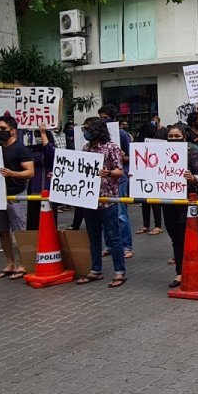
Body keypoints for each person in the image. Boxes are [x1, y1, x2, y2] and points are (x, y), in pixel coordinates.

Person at [75, 117, 127, 288]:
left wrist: (108, 173)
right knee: (93, 237)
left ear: (97, 129)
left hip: (107, 199)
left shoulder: (111, 147)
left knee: (114, 236)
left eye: (88, 128)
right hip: (89, 198)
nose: (86, 132)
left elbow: (119, 171)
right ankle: (95, 269)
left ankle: (119, 271)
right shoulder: (85, 148)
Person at [0, 115, 33, 280]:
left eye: (3, 129)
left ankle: (23, 263)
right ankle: (10, 262)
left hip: (16, 194)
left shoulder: (20, 149)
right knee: (2, 230)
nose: (0, 131)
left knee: (19, 231)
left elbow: (30, 172)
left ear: (13, 131)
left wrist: (13, 173)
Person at [160, 125, 198, 288]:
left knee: (186, 235)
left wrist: (193, 178)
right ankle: (180, 272)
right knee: (175, 237)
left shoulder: (193, 151)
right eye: (171, 136)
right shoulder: (161, 151)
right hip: (168, 198)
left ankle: (193, 268)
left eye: (177, 136)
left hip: (187, 200)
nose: (173, 138)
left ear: (184, 136)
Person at [98, 105, 133, 259]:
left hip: (119, 178)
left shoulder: (122, 135)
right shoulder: (98, 138)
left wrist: (121, 156)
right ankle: (110, 244)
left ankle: (126, 245)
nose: (103, 120)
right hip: (102, 180)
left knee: (120, 214)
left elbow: (131, 157)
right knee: (105, 213)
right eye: (101, 117)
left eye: (105, 118)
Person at [24, 124, 56, 231]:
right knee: (33, 220)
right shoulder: (30, 150)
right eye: (36, 135)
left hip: (47, 189)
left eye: (40, 136)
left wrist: (43, 133)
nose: (38, 138)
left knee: (48, 220)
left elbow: (49, 152)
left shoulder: (51, 150)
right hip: (33, 189)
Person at [138, 126, 167, 236]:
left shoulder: (143, 145)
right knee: (149, 202)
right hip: (151, 176)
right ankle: (155, 225)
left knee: (150, 202)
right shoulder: (156, 143)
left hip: (146, 176)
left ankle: (151, 225)